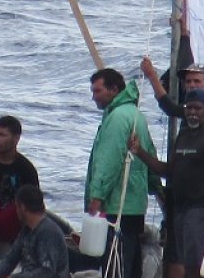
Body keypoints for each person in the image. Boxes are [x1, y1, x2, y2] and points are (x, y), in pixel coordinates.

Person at [129, 89, 204, 278]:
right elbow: (168, 171)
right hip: (181, 209)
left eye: (197, 108)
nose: (192, 112)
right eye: (188, 108)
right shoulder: (182, 136)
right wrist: (139, 152)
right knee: (185, 263)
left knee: (198, 267)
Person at [85, 67, 157, 278]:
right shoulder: (136, 116)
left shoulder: (117, 118)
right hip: (135, 205)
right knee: (131, 263)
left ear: (114, 89)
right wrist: (155, 187)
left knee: (115, 266)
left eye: (97, 91)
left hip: (117, 207)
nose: (93, 97)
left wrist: (96, 197)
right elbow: (149, 153)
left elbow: (109, 161)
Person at [0, 116, 40, 245]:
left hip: (11, 220)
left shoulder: (26, 169)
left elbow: (34, 205)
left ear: (16, 139)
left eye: (2, 135)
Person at [0, 185, 69, 278]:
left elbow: (47, 272)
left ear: (22, 208)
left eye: (17, 207)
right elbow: (12, 258)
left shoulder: (49, 232)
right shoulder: (26, 230)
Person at [139, 56, 204, 128]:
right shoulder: (188, 104)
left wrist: (152, 76)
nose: (192, 85)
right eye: (188, 81)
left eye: (197, 81)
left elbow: (172, 109)